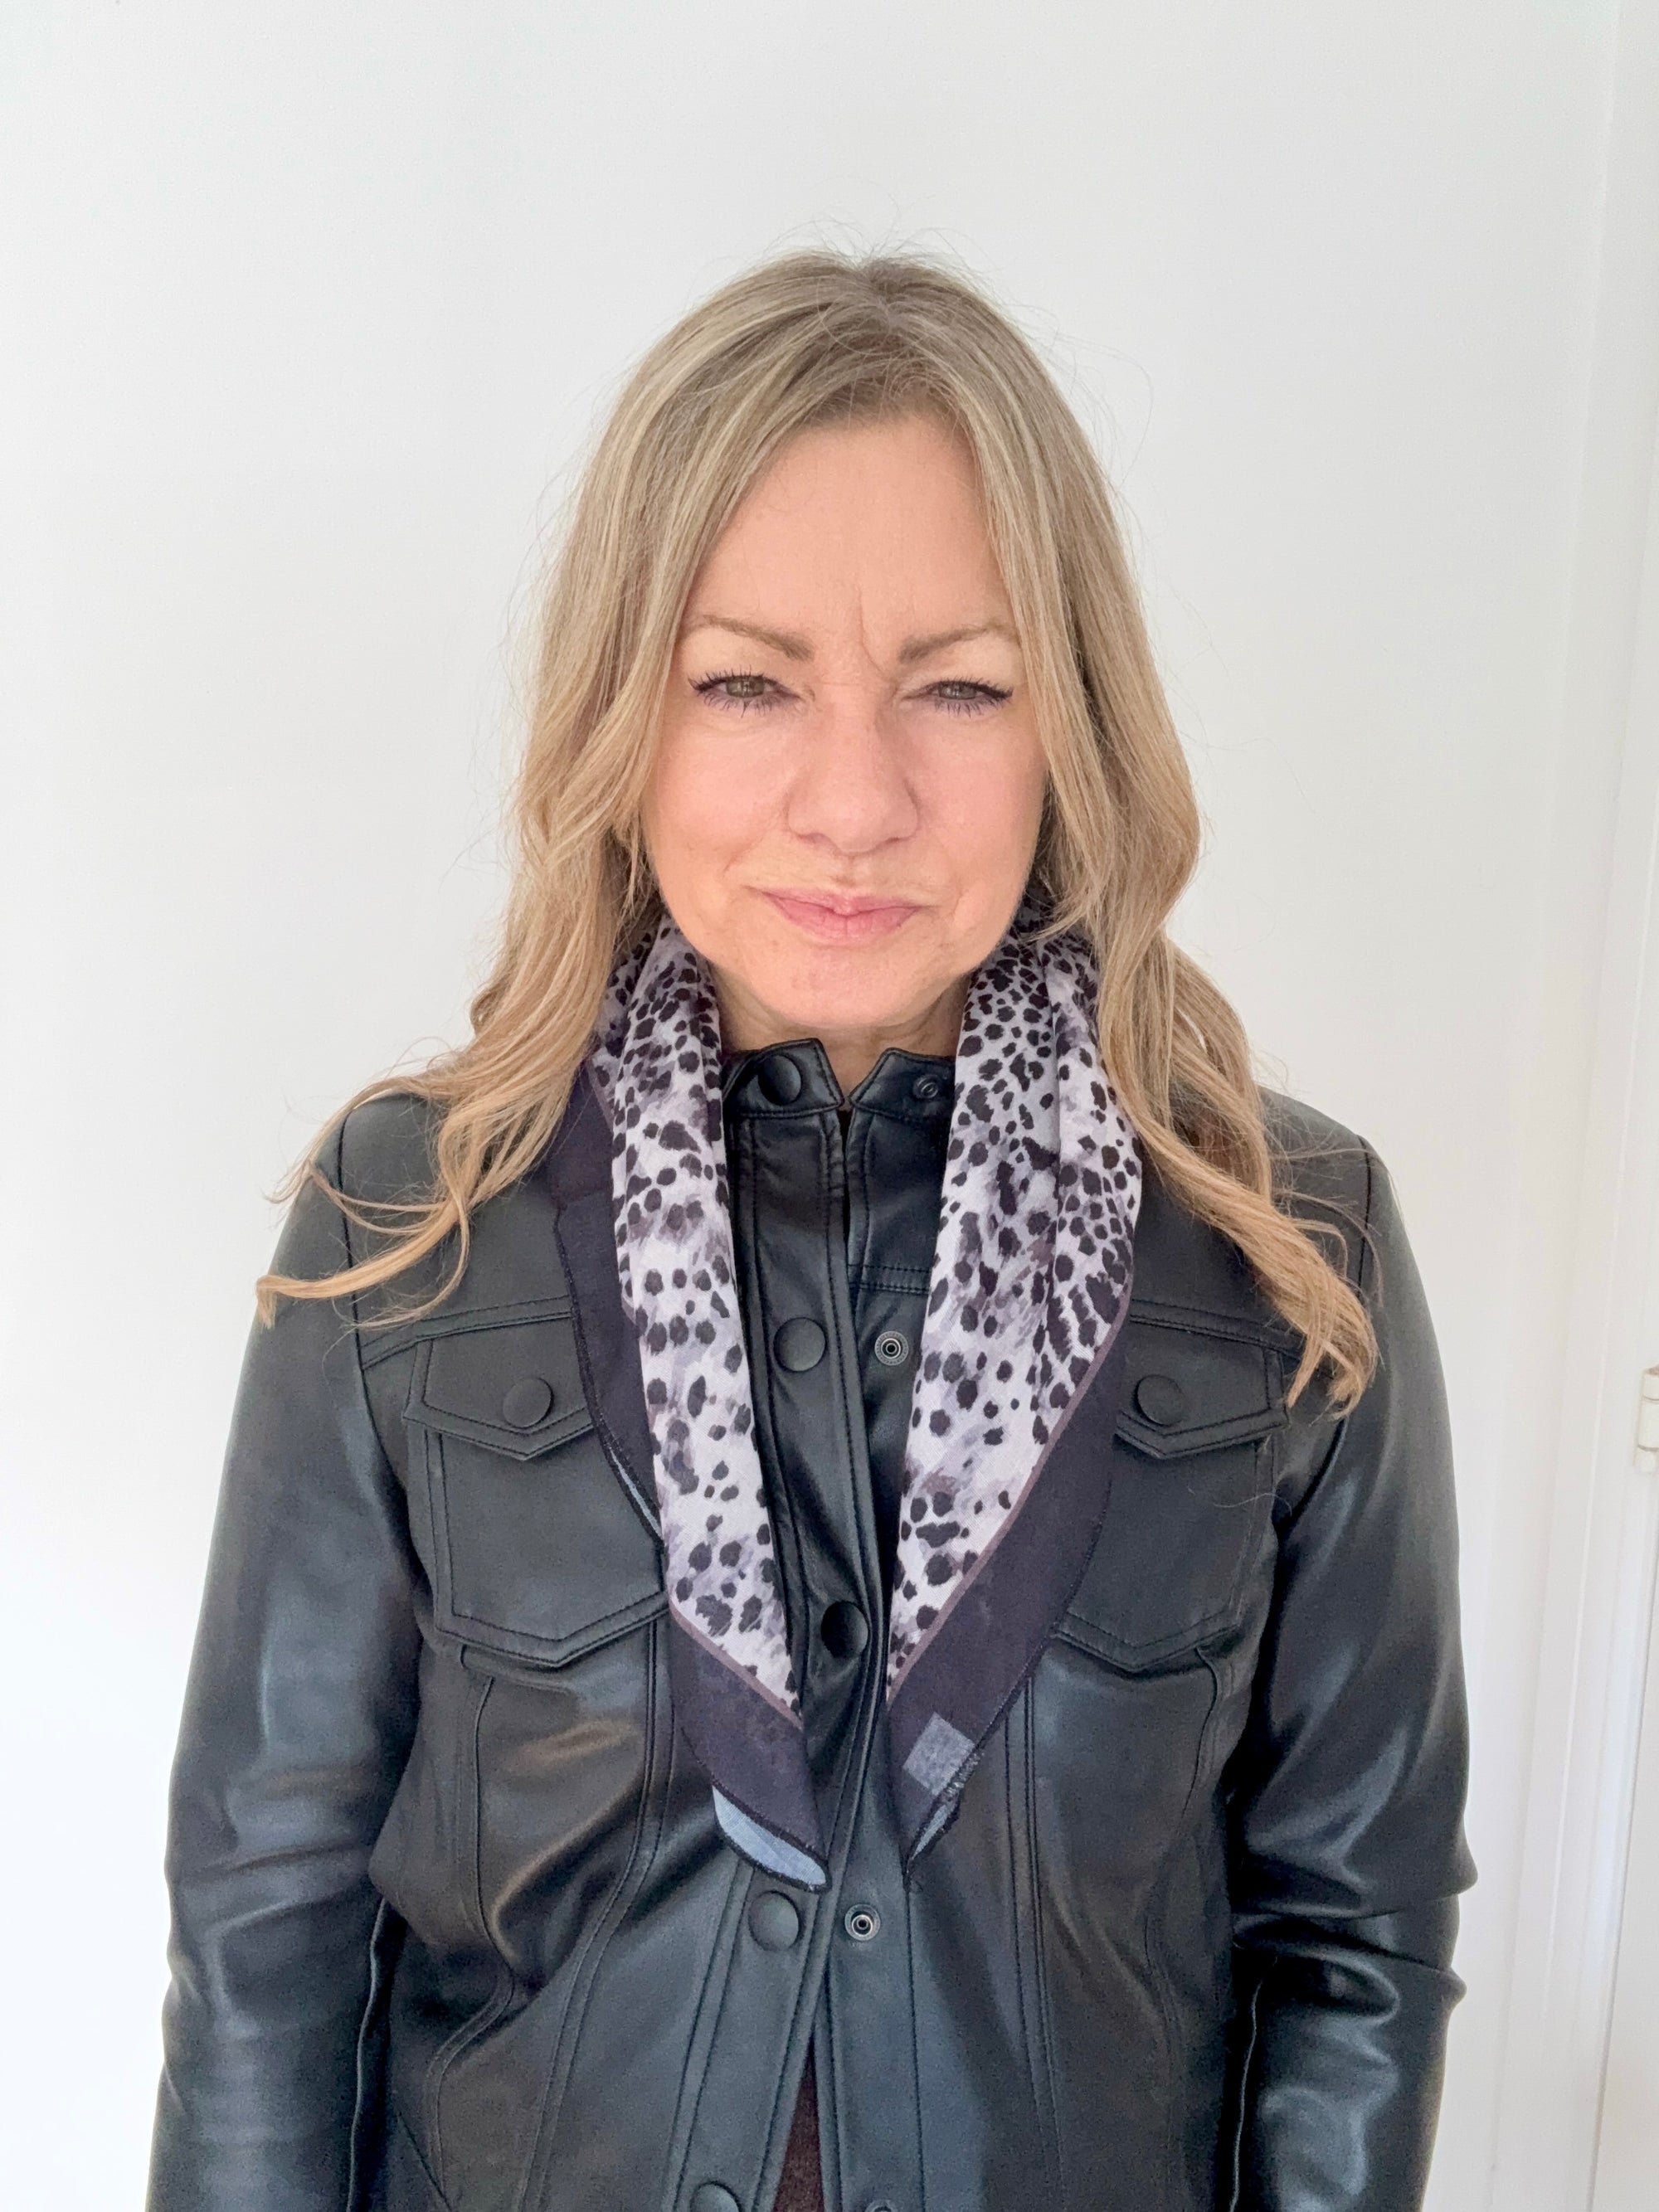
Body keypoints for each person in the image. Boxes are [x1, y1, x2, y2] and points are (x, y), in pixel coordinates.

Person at [147, 247, 1474, 2212]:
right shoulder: (403, 1227)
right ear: (627, 711)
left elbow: (1352, 1942)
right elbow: (266, 1939)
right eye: (745, 679)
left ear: (1070, 722)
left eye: (956, 684)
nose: (852, 799)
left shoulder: (1293, 1252)